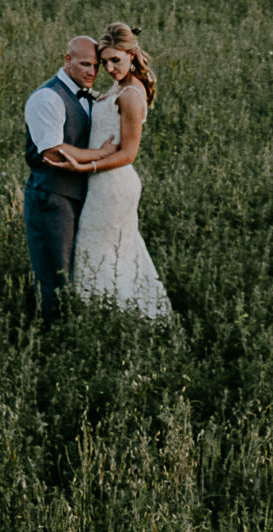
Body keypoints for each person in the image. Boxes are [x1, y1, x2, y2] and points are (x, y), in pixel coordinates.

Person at [55, 21, 170, 320]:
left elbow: (129, 154)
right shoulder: (120, 85)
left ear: (132, 55)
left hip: (114, 185)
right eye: (104, 61)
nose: (108, 68)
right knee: (114, 250)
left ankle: (108, 316)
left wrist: (86, 164)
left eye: (115, 60)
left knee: (95, 249)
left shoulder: (131, 94)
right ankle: (120, 313)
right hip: (102, 182)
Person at [16, 33, 101, 321]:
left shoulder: (88, 96)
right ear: (67, 60)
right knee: (56, 274)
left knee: (79, 271)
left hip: (80, 195)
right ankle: (52, 341)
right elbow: (52, 153)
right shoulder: (47, 98)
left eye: (96, 66)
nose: (92, 72)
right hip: (51, 197)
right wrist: (103, 154)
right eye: (85, 64)